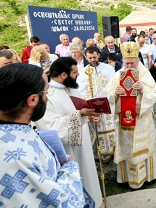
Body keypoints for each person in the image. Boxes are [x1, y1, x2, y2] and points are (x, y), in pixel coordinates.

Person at [0, 63, 88, 207]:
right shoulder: (15, 160)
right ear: (33, 99)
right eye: (46, 92)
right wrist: (69, 168)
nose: (46, 98)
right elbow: (60, 203)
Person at [32, 57, 103, 206]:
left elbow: (80, 109)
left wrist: (89, 117)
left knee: (88, 174)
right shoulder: (48, 95)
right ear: (64, 74)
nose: (77, 75)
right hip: (68, 150)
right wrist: (81, 115)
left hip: (83, 145)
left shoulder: (72, 88)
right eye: (75, 72)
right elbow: (51, 127)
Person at [104, 41, 156, 188]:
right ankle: (126, 179)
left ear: (137, 61)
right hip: (124, 122)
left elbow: (155, 93)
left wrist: (143, 89)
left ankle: (148, 177)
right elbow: (107, 94)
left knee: (143, 147)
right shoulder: (117, 75)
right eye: (127, 64)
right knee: (127, 149)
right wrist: (115, 94)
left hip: (141, 120)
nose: (129, 67)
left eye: (132, 64)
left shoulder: (145, 74)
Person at [77, 47, 116, 162]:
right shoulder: (83, 73)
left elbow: (113, 85)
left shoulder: (108, 68)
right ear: (86, 57)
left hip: (107, 104)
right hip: (92, 107)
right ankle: (98, 154)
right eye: (90, 58)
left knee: (110, 127)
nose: (93, 59)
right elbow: (80, 91)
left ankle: (113, 152)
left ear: (99, 55)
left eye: (94, 57)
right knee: (96, 129)